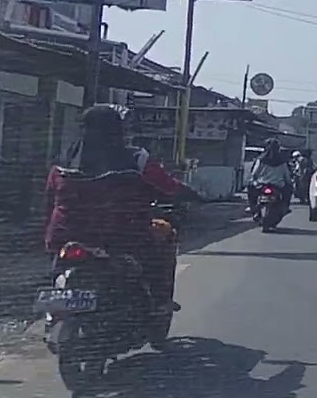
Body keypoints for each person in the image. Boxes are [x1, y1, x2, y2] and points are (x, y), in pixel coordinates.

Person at [44, 104, 202, 314]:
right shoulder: (137, 159)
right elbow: (167, 185)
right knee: (165, 235)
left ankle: (53, 303)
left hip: (64, 234)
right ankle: (160, 299)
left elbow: (48, 198)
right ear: (119, 129)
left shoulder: (64, 161)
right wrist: (192, 194)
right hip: (123, 235)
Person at [247, 138, 293, 214]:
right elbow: (287, 176)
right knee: (288, 190)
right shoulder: (282, 161)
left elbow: (254, 173)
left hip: (261, 184)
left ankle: (252, 206)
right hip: (278, 185)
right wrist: (288, 182)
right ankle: (285, 207)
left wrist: (254, 180)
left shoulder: (261, 160)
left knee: (250, 188)